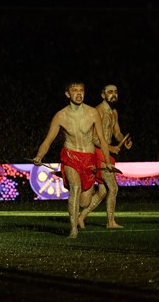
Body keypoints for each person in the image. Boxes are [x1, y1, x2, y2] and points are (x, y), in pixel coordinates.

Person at [32, 80, 113, 239]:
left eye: (81, 90)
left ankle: (79, 214)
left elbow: (103, 140)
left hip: (89, 159)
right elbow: (48, 140)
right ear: (67, 94)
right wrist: (39, 156)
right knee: (75, 187)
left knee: (84, 202)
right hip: (70, 156)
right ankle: (73, 230)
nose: (79, 93)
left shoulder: (92, 113)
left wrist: (108, 162)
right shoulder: (61, 116)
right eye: (74, 90)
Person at [77, 83, 133, 229]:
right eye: (110, 92)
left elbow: (117, 132)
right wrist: (110, 148)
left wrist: (123, 140)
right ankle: (110, 222)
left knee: (102, 191)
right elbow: (94, 138)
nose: (113, 94)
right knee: (113, 188)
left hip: (107, 151)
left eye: (115, 91)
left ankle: (80, 217)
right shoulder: (97, 111)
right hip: (99, 152)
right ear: (103, 95)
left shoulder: (114, 112)